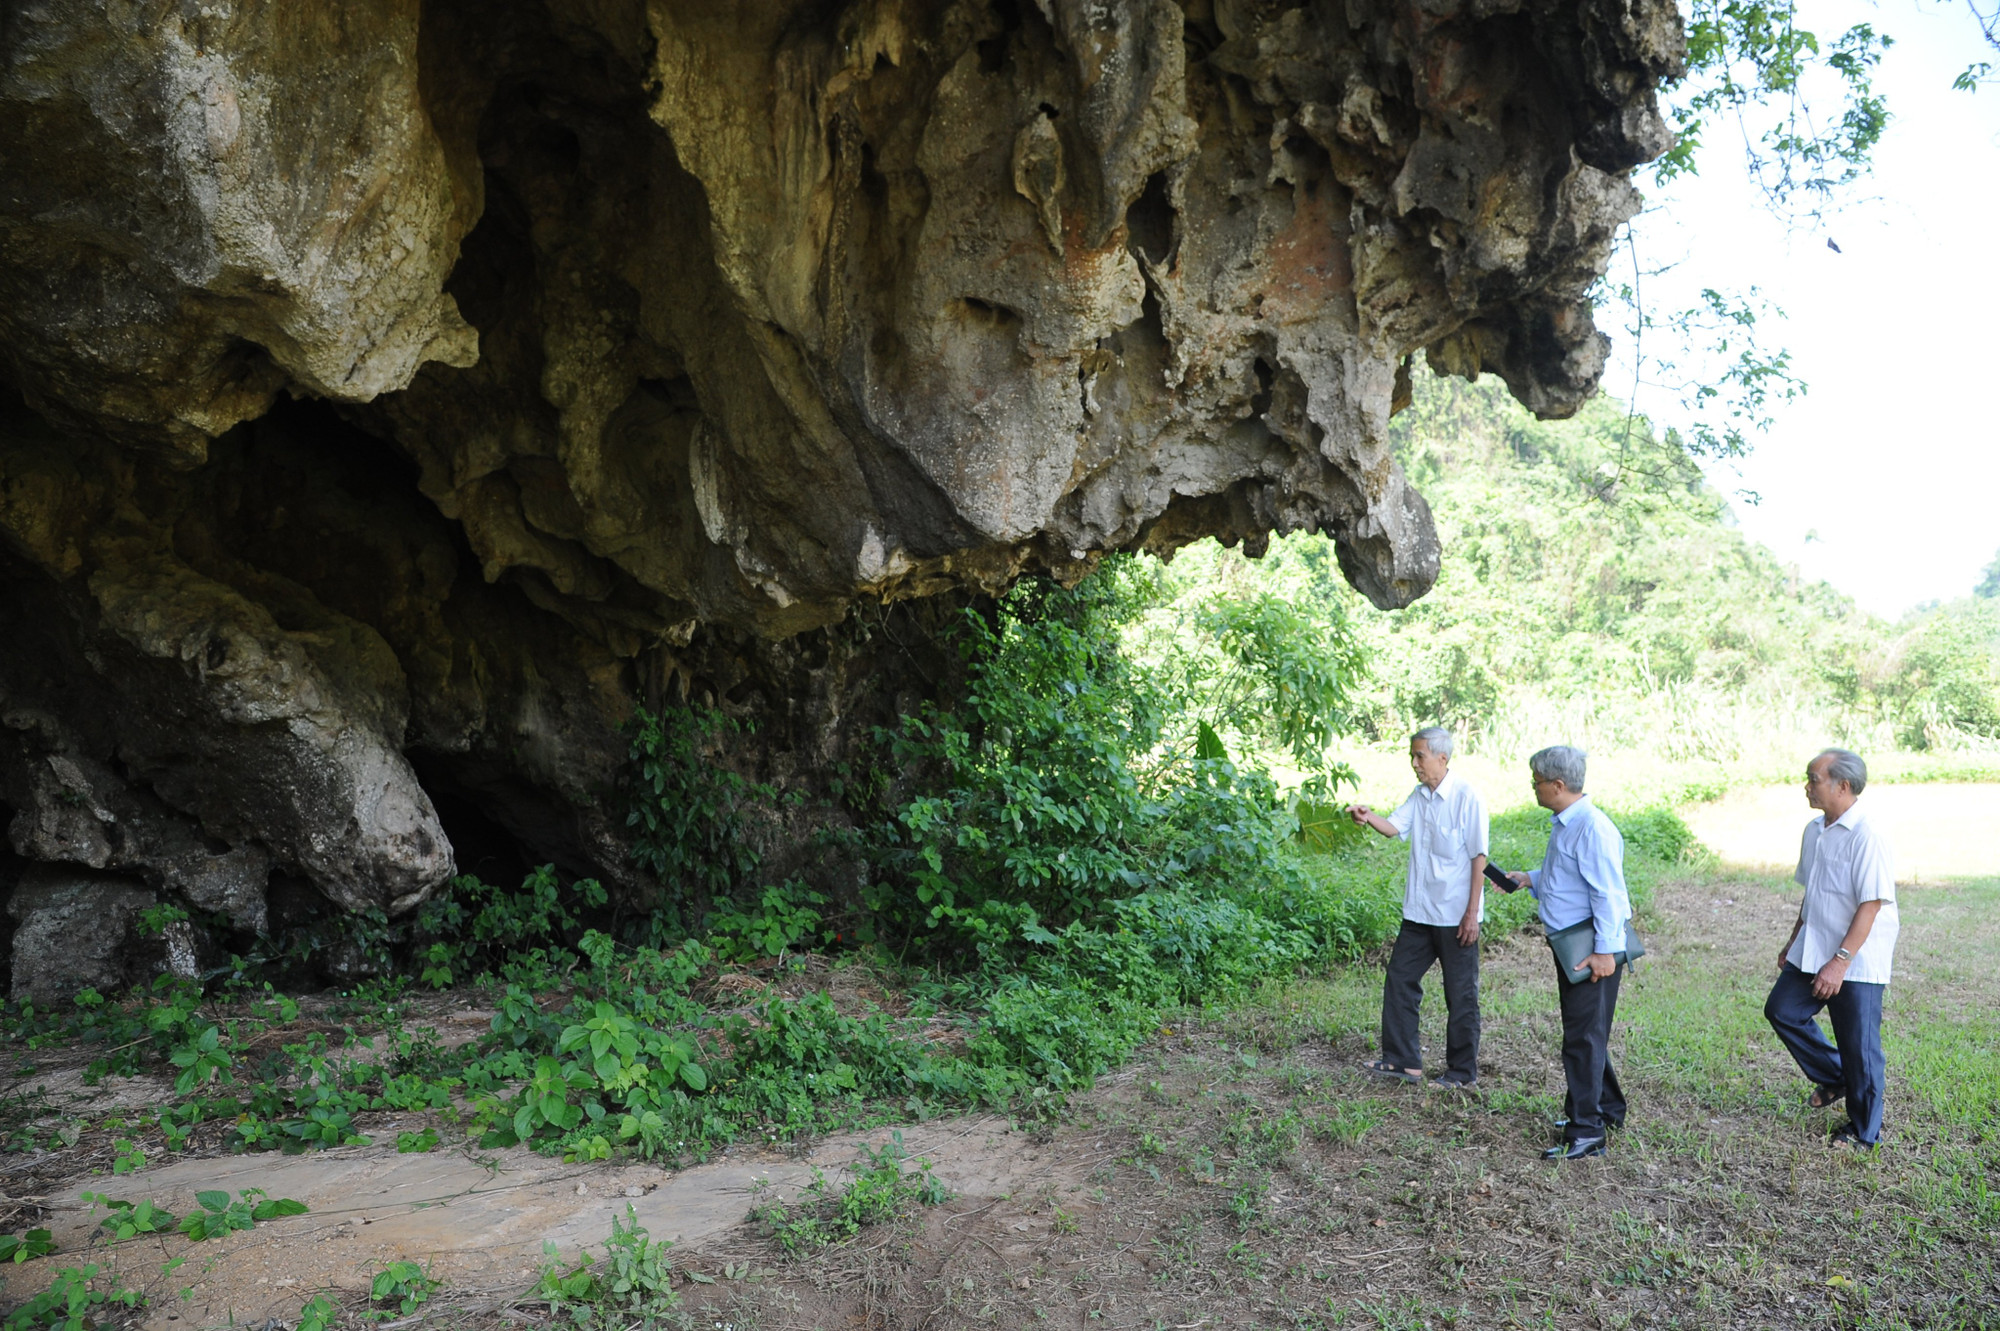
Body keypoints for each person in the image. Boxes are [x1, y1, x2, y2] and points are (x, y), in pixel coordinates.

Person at [1764, 748, 1899, 1150]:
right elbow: (1814, 893)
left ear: (1843, 785)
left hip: (1856, 956)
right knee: (1783, 1011)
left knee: (1859, 1045)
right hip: (1814, 945)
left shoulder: (1867, 834)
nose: (1807, 786)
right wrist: (1793, 940)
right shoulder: (1814, 830)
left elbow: (1871, 903)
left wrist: (1840, 962)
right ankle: (1838, 1076)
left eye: (1813, 779)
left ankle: (1862, 1131)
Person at [1505, 745, 1631, 1161]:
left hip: (1589, 950)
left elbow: (1608, 894)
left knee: (1581, 1039)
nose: (1533, 788)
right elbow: (1568, 875)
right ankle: (1605, 1109)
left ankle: (1587, 1131)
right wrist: (1530, 879)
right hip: (1571, 944)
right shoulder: (1567, 822)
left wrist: (1605, 953)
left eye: (1536, 782)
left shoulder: (1592, 827)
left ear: (1558, 785)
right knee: (1588, 1033)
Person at [1345, 727, 1490, 1088]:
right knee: (1400, 979)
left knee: (1461, 995)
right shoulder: (1420, 795)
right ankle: (1402, 1060)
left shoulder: (1467, 797)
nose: (1414, 764)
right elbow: (1394, 827)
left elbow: (1479, 858)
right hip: (1419, 913)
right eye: (1412, 756)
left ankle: (1461, 1072)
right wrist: (1367, 815)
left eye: (1419, 756)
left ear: (1442, 758)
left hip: (1455, 916)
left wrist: (1472, 913)